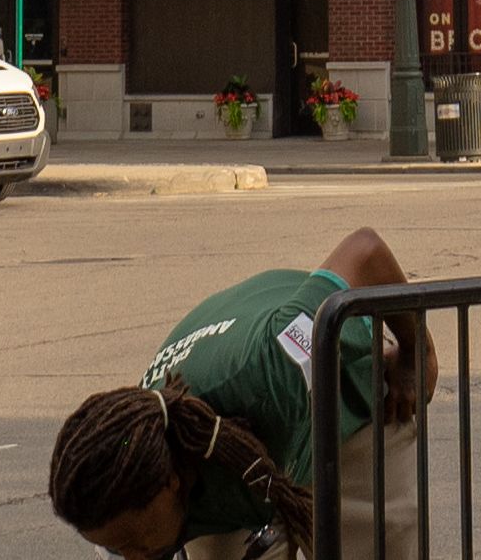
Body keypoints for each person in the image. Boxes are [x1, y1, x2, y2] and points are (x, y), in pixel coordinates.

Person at [50, 225, 437, 559]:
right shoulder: (124, 472)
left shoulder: (274, 367)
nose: (132, 557)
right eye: (115, 549)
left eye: (131, 542)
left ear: (169, 482)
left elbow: (364, 250)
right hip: (229, 469)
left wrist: (416, 351)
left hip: (340, 412)